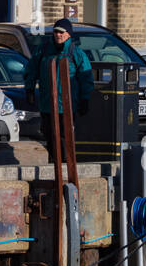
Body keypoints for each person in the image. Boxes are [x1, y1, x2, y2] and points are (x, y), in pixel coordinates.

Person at [23, 18, 93, 167]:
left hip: (68, 105)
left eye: (62, 32)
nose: (58, 35)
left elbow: (86, 79)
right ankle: (53, 164)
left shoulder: (76, 53)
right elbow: (31, 70)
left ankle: (66, 164)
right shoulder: (43, 50)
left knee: (64, 135)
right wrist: (29, 89)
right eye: (56, 31)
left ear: (69, 34)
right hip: (47, 104)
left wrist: (85, 99)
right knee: (49, 135)